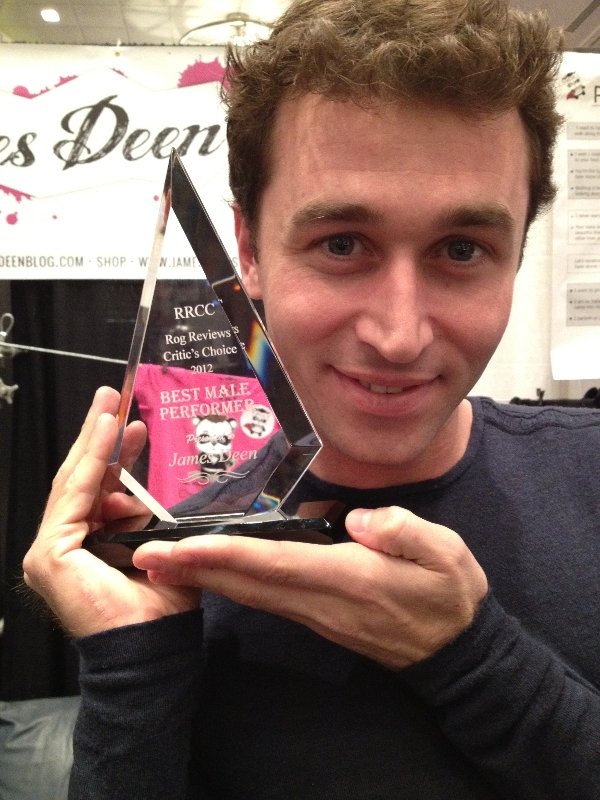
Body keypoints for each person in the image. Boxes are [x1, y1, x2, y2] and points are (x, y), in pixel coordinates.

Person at [22, 1, 600, 798]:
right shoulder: (167, 551)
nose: (399, 336)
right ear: (249, 252)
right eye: (342, 244)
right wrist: (133, 667)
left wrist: (471, 656)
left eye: (462, 249)